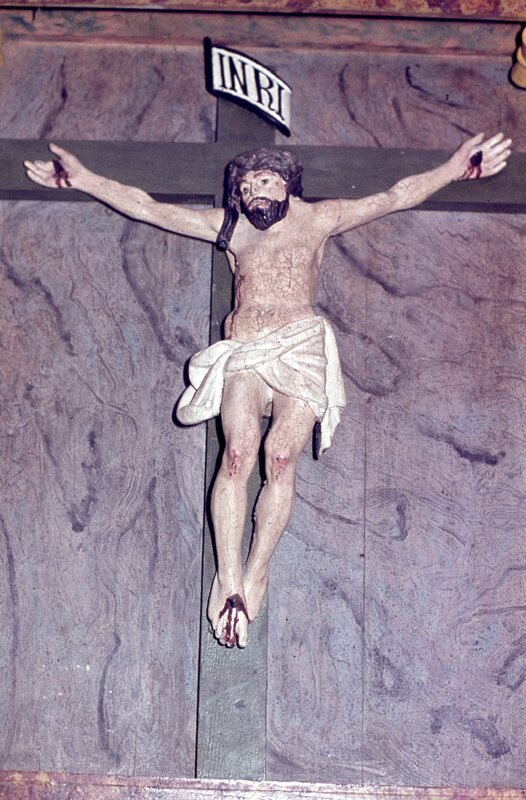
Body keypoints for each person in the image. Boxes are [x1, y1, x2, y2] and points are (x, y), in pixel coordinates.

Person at [24, 131, 511, 648]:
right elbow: (150, 209)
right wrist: (84, 179)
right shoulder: (232, 228)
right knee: (237, 453)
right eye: (246, 186)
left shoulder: (319, 218)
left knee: (280, 458)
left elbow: (394, 196)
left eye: (264, 181)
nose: (254, 191)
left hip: (300, 348)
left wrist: (455, 167)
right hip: (246, 352)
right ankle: (229, 576)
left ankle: (257, 571)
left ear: (287, 185)